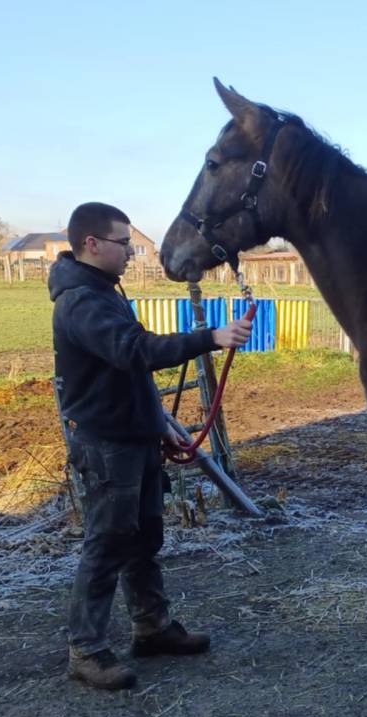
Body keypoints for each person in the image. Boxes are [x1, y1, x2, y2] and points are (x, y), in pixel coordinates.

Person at [49, 202, 252, 690]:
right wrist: (211, 336)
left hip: (133, 434)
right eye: (125, 243)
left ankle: (151, 627)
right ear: (92, 244)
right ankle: (87, 649)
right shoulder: (81, 302)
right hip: (106, 442)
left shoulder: (103, 290)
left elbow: (126, 369)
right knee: (107, 543)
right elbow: (135, 351)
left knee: (143, 538)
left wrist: (155, 420)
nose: (131, 252)